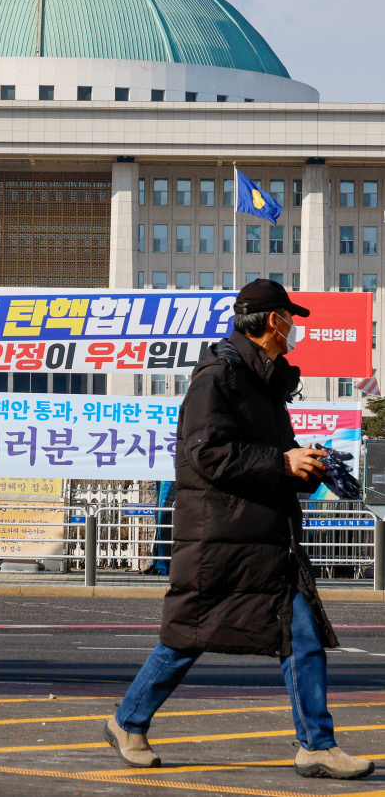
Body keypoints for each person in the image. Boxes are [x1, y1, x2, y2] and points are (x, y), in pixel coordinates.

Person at [105, 279, 374, 781]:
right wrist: (281, 460)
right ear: (274, 321)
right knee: (187, 637)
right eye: (291, 318)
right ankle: (128, 721)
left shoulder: (263, 380)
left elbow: (274, 458)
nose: (295, 329)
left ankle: (317, 744)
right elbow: (206, 453)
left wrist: (309, 463)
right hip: (220, 541)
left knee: (302, 636)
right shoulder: (219, 375)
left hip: (266, 540)